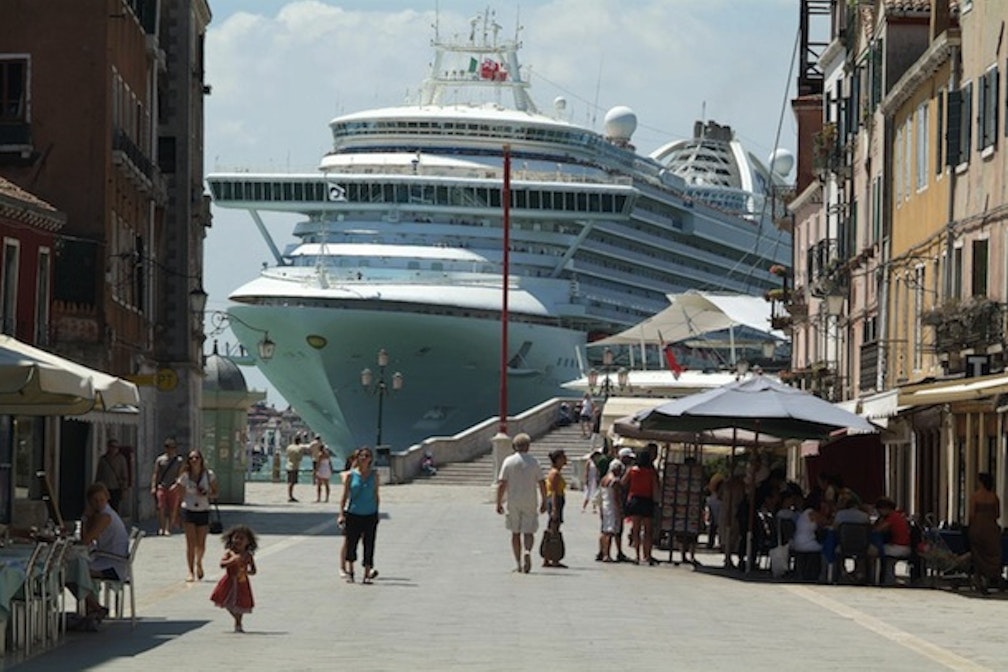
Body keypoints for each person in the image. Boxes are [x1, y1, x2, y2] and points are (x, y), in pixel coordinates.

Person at [73, 482, 129, 621]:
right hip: (105, 559)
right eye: (95, 501)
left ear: (107, 498)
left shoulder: (105, 517)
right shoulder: (102, 514)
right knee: (78, 570)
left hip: (113, 565)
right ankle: (94, 607)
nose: (99, 504)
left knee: (76, 573)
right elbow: (88, 539)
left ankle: (94, 608)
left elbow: (85, 541)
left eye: (101, 500)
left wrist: (85, 518)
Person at [495, 432, 547, 574]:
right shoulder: (534, 462)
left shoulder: (508, 461)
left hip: (513, 500)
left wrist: (498, 502)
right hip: (530, 499)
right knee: (528, 531)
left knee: (515, 532)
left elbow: (502, 483)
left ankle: (518, 563)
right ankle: (528, 550)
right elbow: (542, 482)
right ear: (528, 446)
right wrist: (544, 500)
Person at [337, 446, 380, 584]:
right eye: (362, 456)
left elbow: (376, 495)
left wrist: (377, 512)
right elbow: (344, 496)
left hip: (370, 514)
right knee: (351, 543)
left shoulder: (375, 475)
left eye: (367, 456)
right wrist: (341, 514)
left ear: (370, 459)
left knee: (369, 544)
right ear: (358, 458)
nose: (364, 458)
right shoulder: (350, 475)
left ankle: (367, 573)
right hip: (353, 513)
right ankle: (350, 571)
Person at [177, 450, 218, 582]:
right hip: (188, 510)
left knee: (201, 544)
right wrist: (175, 514)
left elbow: (216, 493)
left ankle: (199, 562)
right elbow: (179, 496)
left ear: (201, 459)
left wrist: (207, 493)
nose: (194, 460)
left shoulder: (209, 474)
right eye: (191, 458)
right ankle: (190, 571)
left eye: (196, 457)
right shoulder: (184, 476)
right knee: (190, 543)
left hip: (203, 510)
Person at [209, 525, 258, 633]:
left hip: (242, 582)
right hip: (229, 581)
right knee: (227, 601)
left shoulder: (248, 555)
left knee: (240, 602)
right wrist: (232, 561)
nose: (238, 541)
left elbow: (254, 570)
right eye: (236, 538)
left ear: (248, 542)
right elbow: (222, 564)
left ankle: (238, 622)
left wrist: (247, 572)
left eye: (242, 538)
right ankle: (237, 620)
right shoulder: (229, 553)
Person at [621, 444, 660, 565]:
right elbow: (655, 488)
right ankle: (647, 555)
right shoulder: (651, 472)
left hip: (634, 500)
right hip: (647, 500)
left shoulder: (632, 470)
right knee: (648, 531)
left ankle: (637, 556)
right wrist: (656, 501)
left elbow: (623, 483)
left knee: (636, 530)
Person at [968, 472, 1001, 593]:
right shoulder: (994, 497)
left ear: (981, 482)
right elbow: (998, 515)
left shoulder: (975, 497)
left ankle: (978, 580)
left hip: (978, 528)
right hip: (991, 529)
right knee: (990, 554)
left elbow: (971, 514)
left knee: (978, 554)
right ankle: (988, 579)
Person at [870, 497, 911, 585]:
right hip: (903, 546)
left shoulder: (892, 517)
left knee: (872, 551)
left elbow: (878, 529)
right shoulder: (897, 516)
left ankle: (872, 577)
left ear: (885, 509)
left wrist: (879, 521)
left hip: (898, 547)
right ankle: (887, 578)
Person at [150, 437, 184, 536]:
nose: (170, 449)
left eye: (172, 447)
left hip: (173, 487)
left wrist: (176, 484)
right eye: (168, 447)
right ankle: (161, 527)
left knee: (172, 508)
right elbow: (156, 473)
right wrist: (153, 486)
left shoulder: (179, 460)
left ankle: (169, 528)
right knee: (161, 507)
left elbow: (181, 474)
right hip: (162, 486)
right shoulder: (160, 460)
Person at [543, 449, 568, 568]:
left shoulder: (555, 472)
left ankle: (548, 557)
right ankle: (553, 557)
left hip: (556, 500)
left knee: (552, 529)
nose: (565, 460)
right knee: (554, 529)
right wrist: (554, 508)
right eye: (563, 457)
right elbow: (553, 491)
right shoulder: (555, 474)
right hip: (555, 500)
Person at [597, 459, 625, 562]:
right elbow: (616, 497)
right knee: (610, 531)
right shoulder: (615, 481)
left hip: (605, 505)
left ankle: (602, 552)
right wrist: (621, 510)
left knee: (604, 530)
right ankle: (607, 554)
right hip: (612, 507)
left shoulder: (604, 479)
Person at [94, 438, 129, 512]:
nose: (114, 449)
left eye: (116, 447)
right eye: (112, 446)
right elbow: (99, 474)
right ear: (108, 447)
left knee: (115, 507)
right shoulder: (103, 459)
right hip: (104, 488)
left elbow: (124, 475)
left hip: (116, 488)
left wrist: (124, 489)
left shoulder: (121, 459)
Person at [286, 435, 307, 502]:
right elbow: (300, 458)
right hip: (294, 466)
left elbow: (287, 455)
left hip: (288, 465)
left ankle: (290, 495)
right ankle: (291, 496)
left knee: (290, 481)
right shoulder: (299, 448)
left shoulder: (289, 447)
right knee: (292, 482)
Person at [582, 448, 601, 513]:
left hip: (595, 479)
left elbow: (598, 471)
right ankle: (583, 507)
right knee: (588, 493)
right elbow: (586, 471)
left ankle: (594, 508)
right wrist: (586, 479)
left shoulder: (597, 463)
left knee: (594, 494)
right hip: (590, 479)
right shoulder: (589, 462)